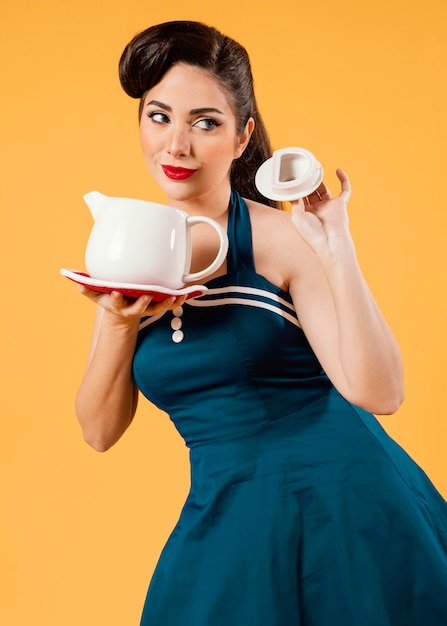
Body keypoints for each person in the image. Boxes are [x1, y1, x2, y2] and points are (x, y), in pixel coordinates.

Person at [74, 20, 447, 626]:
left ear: (243, 136)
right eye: (159, 116)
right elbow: (98, 431)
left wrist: (336, 249)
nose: (176, 146)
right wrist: (117, 323)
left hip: (342, 504)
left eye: (206, 122)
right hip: (226, 505)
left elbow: (381, 393)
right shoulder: (128, 248)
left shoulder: (280, 237)